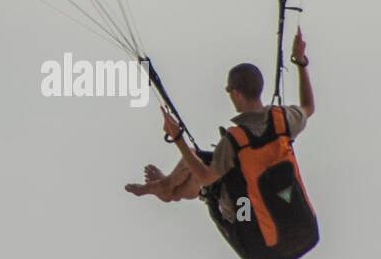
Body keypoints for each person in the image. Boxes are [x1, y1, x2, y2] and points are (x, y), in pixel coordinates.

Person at [125, 27, 314, 221]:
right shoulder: (284, 119)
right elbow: (308, 107)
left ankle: (166, 189)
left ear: (236, 94)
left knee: (198, 167)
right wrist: (300, 62)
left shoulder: (235, 140)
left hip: (247, 217)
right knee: (199, 163)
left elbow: (206, 177)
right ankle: (167, 189)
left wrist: (178, 138)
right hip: (279, 208)